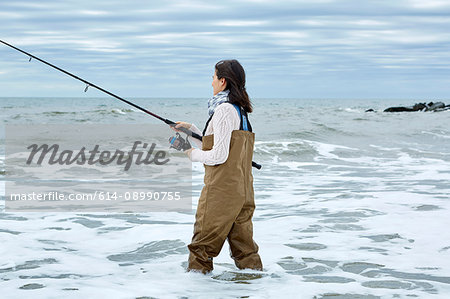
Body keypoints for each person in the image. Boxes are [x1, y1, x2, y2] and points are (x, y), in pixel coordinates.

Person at [173, 59, 263, 274]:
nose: (211, 82)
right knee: (245, 250)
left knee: (201, 249)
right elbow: (224, 147)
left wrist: (188, 152)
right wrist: (191, 129)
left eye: (213, 77)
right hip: (243, 190)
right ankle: (256, 287)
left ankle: (196, 291)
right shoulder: (240, 110)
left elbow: (218, 156)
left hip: (221, 191)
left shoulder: (223, 110)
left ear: (222, 81)